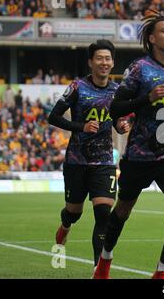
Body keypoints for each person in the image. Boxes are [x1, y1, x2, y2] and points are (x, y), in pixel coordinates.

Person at [93, 10, 164, 279]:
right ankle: (105, 259)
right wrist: (146, 99)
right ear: (151, 38)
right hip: (139, 154)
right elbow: (115, 107)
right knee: (123, 210)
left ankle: (162, 271)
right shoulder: (139, 69)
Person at [48, 40, 130, 268]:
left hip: (104, 161)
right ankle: (66, 225)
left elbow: (116, 119)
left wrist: (120, 126)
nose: (104, 63)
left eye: (108, 59)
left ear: (112, 62)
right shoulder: (77, 87)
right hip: (76, 160)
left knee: (104, 213)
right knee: (74, 212)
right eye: (99, 58)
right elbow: (53, 117)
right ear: (90, 62)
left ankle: (98, 269)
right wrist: (81, 126)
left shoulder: (118, 91)